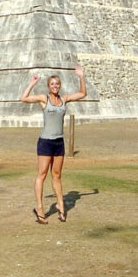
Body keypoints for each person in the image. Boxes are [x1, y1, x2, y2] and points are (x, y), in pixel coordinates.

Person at [20, 66, 86, 223]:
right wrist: (32, 83)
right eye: (52, 84)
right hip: (45, 142)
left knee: (56, 175)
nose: (55, 86)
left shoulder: (64, 99)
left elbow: (83, 94)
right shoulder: (45, 99)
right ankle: (40, 208)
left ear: (60, 85)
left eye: (57, 84)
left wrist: (81, 77)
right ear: (49, 86)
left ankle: (60, 205)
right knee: (42, 175)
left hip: (58, 142)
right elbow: (24, 98)